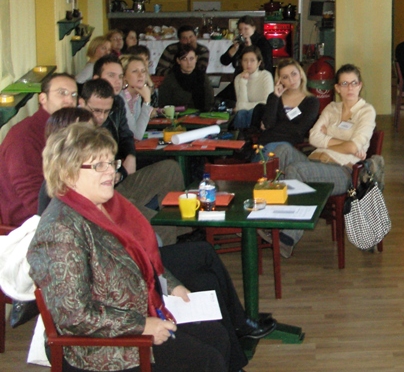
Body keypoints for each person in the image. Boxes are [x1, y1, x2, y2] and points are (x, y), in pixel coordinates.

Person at [27, 123, 235, 372]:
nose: (112, 172)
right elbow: (74, 316)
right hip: (103, 346)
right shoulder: (60, 230)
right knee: (207, 359)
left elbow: (141, 257)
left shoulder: (108, 207)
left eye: (111, 163)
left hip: (136, 312)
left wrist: (170, 284)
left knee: (216, 334)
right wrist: (143, 325)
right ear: (68, 173)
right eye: (99, 165)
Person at [272, 64, 376, 257]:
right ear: (337, 88)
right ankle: (269, 216)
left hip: (343, 170)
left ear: (360, 85)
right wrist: (343, 142)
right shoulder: (331, 108)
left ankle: (287, 237)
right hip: (316, 161)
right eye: (344, 84)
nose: (350, 88)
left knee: (296, 170)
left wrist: (329, 138)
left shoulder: (366, 112)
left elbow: (354, 147)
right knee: (282, 150)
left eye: (354, 83)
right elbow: (313, 137)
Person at [81, 77, 185, 245]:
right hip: (103, 195)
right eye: (96, 111)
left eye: (106, 111)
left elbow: (127, 136)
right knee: (162, 223)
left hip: (118, 180)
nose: (101, 117)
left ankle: (182, 234)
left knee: (170, 168)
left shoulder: (115, 108)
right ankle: (168, 249)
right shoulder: (75, 128)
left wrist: (130, 156)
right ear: (82, 103)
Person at [0, 73, 78, 226]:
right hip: (27, 225)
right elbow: (34, 200)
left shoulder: (65, 130)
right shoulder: (24, 136)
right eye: (62, 93)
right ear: (43, 98)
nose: (69, 100)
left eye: (74, 95)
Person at [255, 58, 320, 152]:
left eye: (294, 74)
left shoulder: (312, 101)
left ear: (301, 74)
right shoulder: (274, 97)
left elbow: (300, 130)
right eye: (285, 77)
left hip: (289, 146)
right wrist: (276, 97)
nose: (291, 80)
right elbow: (268, 124)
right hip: (266, 142)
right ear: (280, 80)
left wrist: (275, 126)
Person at [159, 44, 215, 111]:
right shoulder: (170, 79)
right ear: (178, 61)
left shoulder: (202, 76)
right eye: (184, 59)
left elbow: (210, 100)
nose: (189, 63)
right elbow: (163, 103)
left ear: (196, 59)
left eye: (191, 59)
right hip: (177, 114)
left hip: (201, 114)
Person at [232, 46, 273, 129]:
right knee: (241, 114)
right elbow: (241, 104)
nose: (248, 64)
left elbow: (267, 103)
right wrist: (243, 81)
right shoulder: (238, 78)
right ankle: (241, 136)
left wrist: (244, 106)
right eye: (245, 60)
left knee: (250, 112)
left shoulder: (266, 76)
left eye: (252, 60)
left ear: (259, 62)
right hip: (244, 114)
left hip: (262, 113)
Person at [120, 54, 155, 140]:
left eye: (143, 71)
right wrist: (147, 102)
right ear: (124, 76)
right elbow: (137, 135)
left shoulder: (137, 96)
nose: (140, 75)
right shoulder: (120, 98)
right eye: (135, 71)